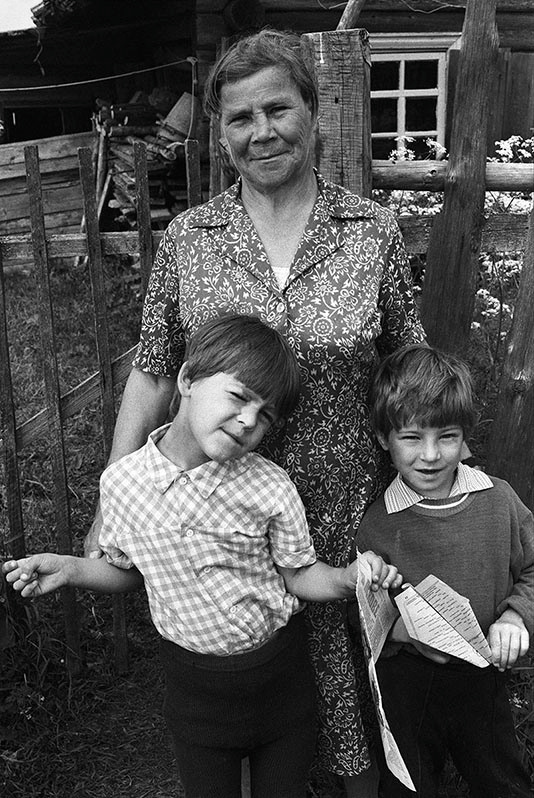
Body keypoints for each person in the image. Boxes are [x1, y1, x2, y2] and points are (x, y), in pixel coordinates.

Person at [83, 28, 426, 797]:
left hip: (345, 518)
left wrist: (433, 488)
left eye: (278, 108)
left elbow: (408, 369)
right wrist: (115, 496)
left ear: (312, 109)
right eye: (240, 117)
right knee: (238, 712)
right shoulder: (190, 238)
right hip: (221, 530)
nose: (260, 130)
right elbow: (151, 374)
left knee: (359, 710)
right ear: (221, 131)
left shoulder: (370, 232)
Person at [3, 315, 402, 798]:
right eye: (238, 397)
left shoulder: (269, 486)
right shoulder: (123, 486)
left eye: (266, 415)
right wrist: (69, 568)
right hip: (195, 697)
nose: (250, 420)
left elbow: (297, 575)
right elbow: (132, 571)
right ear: (188, 379)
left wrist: (345, 578)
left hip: (280, 684)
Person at [356, 344, 534, 798]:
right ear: (384, 439)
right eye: (412, 438)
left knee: (504, 783)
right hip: (408, 684)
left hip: (483, 675)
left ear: (465, 435)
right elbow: (362, 611)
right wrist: (399, 632)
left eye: (447, 437)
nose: (431, 455)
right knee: (408, 785)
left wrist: (516, 616)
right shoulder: (377, 523)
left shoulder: (499, 502)